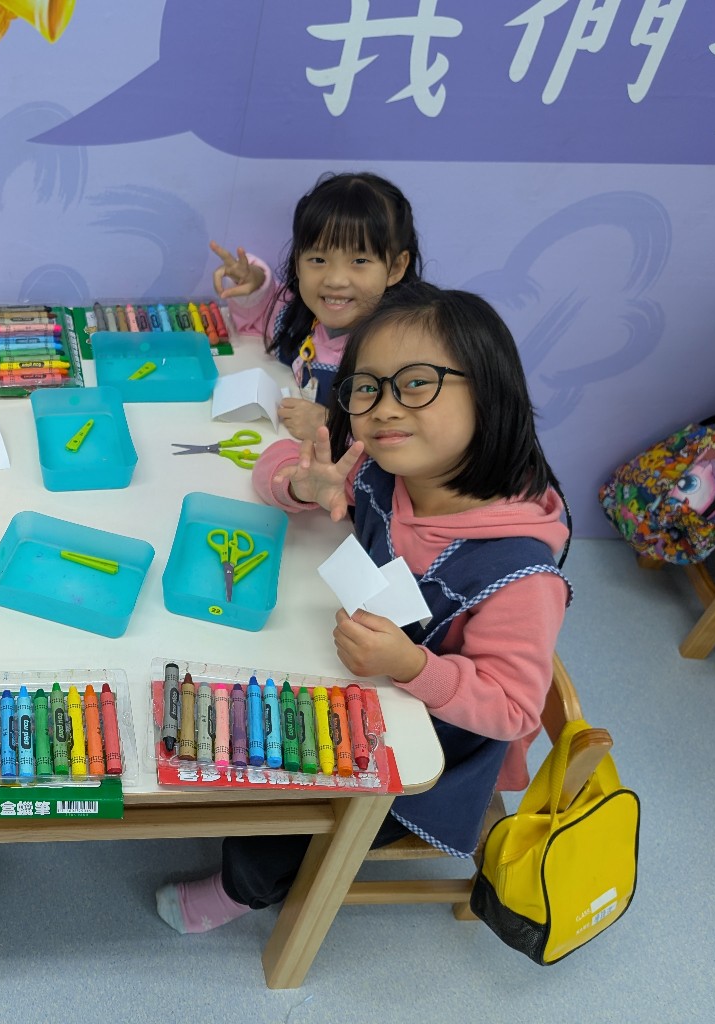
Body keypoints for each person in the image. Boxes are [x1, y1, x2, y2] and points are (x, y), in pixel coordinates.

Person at [156, 282, 572, 933]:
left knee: (278, 818)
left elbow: (514, 708)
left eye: (416, 384)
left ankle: (242, 890)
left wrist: (412, 666)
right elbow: (280, 462)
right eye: (367, 388)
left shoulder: (519, 575)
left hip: (432, 744)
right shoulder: (385, 466)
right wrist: (300, 484)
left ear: (490, 393)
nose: (383, 408)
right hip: (350, 671)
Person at [210, 171, 422, 441]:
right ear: (298, 262)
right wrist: (253, 282)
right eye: (318, 260)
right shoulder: (300, 321)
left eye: (359, 261)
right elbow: (263, 312)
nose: (335, 280)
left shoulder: (406, 354)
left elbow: (415, 442)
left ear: (395, 267)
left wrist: (332, 426)